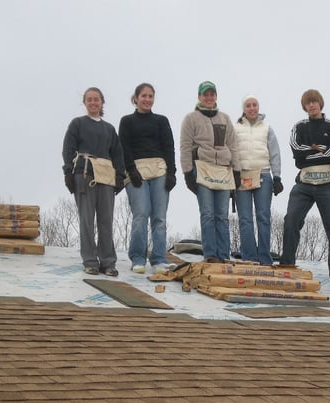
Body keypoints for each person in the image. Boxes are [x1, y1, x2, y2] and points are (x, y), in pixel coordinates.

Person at [280, 89, 330, 285]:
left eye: (314, 102)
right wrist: (318, 150)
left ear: (320, 103)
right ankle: (287, 264)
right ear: (304, 106)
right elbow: (296, 150)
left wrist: (309, 152)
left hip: (328, 184)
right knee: (291, 220)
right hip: (304, 183)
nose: (311, 105)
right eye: (307, 103)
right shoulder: (298, 127)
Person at [62, 87, 126, 276]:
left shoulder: (109, 129)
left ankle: (108, 262)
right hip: (84, 174)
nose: (93, 103)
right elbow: (68, 149)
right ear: (85, 102)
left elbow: (117, 153)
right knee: (87, 220)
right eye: (89, 99)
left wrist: (120, 175)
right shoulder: (78, 124)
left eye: (96, 99)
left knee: (106, 220)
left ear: (102, 102)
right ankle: (90, 261)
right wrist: (68, 172)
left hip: (106, 175)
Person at [119, 83, 177, 275]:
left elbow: (169, 146)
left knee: (159, 217)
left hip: (159, 168)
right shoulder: (127, 121)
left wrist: (171, 173)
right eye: (143, 96)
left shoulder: (161, 121)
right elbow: (124, 147)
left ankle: (159, 259)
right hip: (137, 170)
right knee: (141, 214)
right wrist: (131, 170)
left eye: (150, 96)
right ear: (135, 98)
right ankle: (138, 258)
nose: (147, 99)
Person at [180, 81, 241, 261]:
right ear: (199, 96)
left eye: (212, 94)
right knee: (207, 214)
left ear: (216, 96)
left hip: (223, 170)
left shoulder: (225, 118)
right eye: (205, 94)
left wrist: (237, 170)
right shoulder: (191, 118)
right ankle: (210, 255)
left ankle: (224, 255)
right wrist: (187, 172)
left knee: (222, 216)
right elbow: (185, 147)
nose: (208, 97)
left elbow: (233, 145)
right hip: (202, 169)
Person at [233, 95, 283, 265]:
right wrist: (233, 173)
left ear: (258, 107)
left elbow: (275, 152)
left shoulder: (267, 127)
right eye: (248, 105)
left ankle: (264, 257)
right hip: (243, 176)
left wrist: (277, 177)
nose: (252, 108)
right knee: (245, 218)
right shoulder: (236, 127)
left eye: (255, 105)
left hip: (263, 174)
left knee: (263, 216)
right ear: (244, 108)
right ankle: (249, 256)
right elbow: (232, 151)